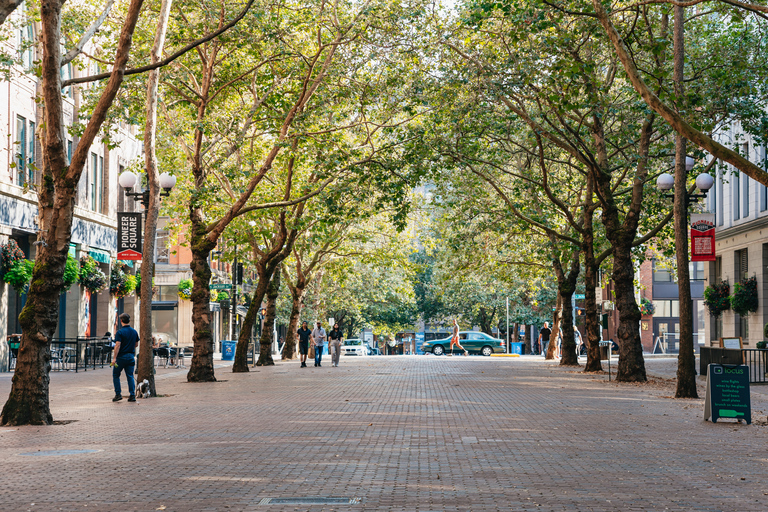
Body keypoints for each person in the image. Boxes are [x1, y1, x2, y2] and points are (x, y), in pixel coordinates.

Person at [111, 313, 138, 402]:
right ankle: (132, 395)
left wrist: (114, 358)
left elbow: (117, 345)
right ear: (129, 321)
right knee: (130, 376)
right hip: (130, 356)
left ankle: (118, 394)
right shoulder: (134, 331)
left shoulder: (120, 332)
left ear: (121, 321)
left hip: (121, 357)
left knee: (116, 375)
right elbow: (136, 344)